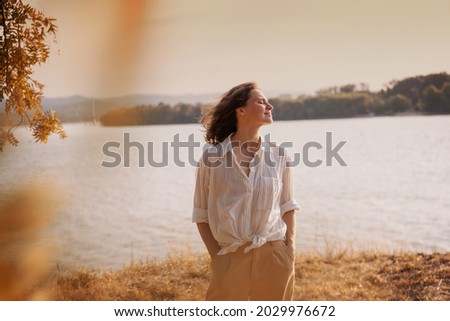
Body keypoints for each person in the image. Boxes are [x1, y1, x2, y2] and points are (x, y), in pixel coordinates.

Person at [192, 82, 300, 300]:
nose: (270, 106)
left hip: (275, 257)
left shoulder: (280, 156)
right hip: (230, 258)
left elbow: (288, 206)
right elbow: (201, 214)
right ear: (240, 110)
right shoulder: (212, 158)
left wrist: (289, 250)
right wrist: (218, 258)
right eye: (261, 102)